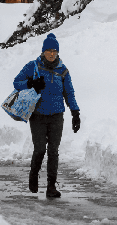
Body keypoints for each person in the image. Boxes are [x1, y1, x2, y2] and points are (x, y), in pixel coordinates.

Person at [12, 32, 80, 198]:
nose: (51, 53)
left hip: (57, 116)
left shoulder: (63, 71)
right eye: (48, 50)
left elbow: (69, 93)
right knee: (40, 149)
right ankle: (33, 174)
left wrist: (75, 112)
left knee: (53, 151)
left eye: (54, 51)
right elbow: (16, 82)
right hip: (38, 115)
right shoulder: (33, 66)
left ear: (57, 52)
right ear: (43, 51)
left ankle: (51, 186)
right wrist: (31, 83)